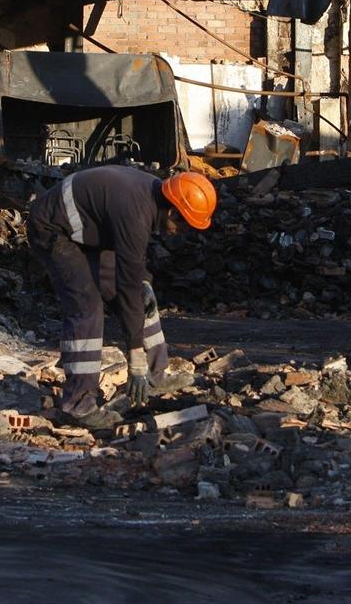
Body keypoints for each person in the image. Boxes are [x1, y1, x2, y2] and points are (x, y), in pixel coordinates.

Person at [26, 166, 217, 428]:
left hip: (87, 230)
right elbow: (127, 288)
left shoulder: (150, 198)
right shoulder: (136, 214)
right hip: (52, 228)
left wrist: (145, 283)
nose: (182, 233)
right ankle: (79, 406)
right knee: (87, 306)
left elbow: (132, 266)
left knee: (142, 298)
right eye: (184, 225)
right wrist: (134, 357)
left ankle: (156, 374)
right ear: (172, 211)